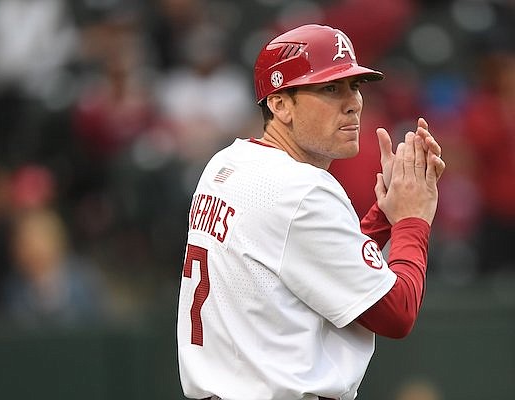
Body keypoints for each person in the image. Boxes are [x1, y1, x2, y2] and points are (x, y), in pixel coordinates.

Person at [176, 24, 445, 400]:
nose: (352, 102)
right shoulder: (302, 190)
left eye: (355, 86)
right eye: (330, 88)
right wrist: (413, 220)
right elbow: (396, 311)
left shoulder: (226, 164)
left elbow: (307, 258)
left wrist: (384, 218)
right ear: (280, 103)